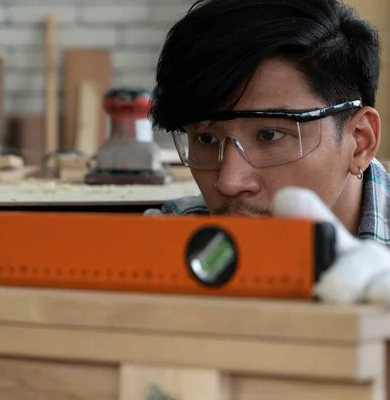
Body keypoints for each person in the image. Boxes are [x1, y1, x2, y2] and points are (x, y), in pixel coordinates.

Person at [146, 0, 390, 305]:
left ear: (360, 141)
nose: (229, 182)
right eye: (206, 138)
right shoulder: (171, 244)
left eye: (269, 135)